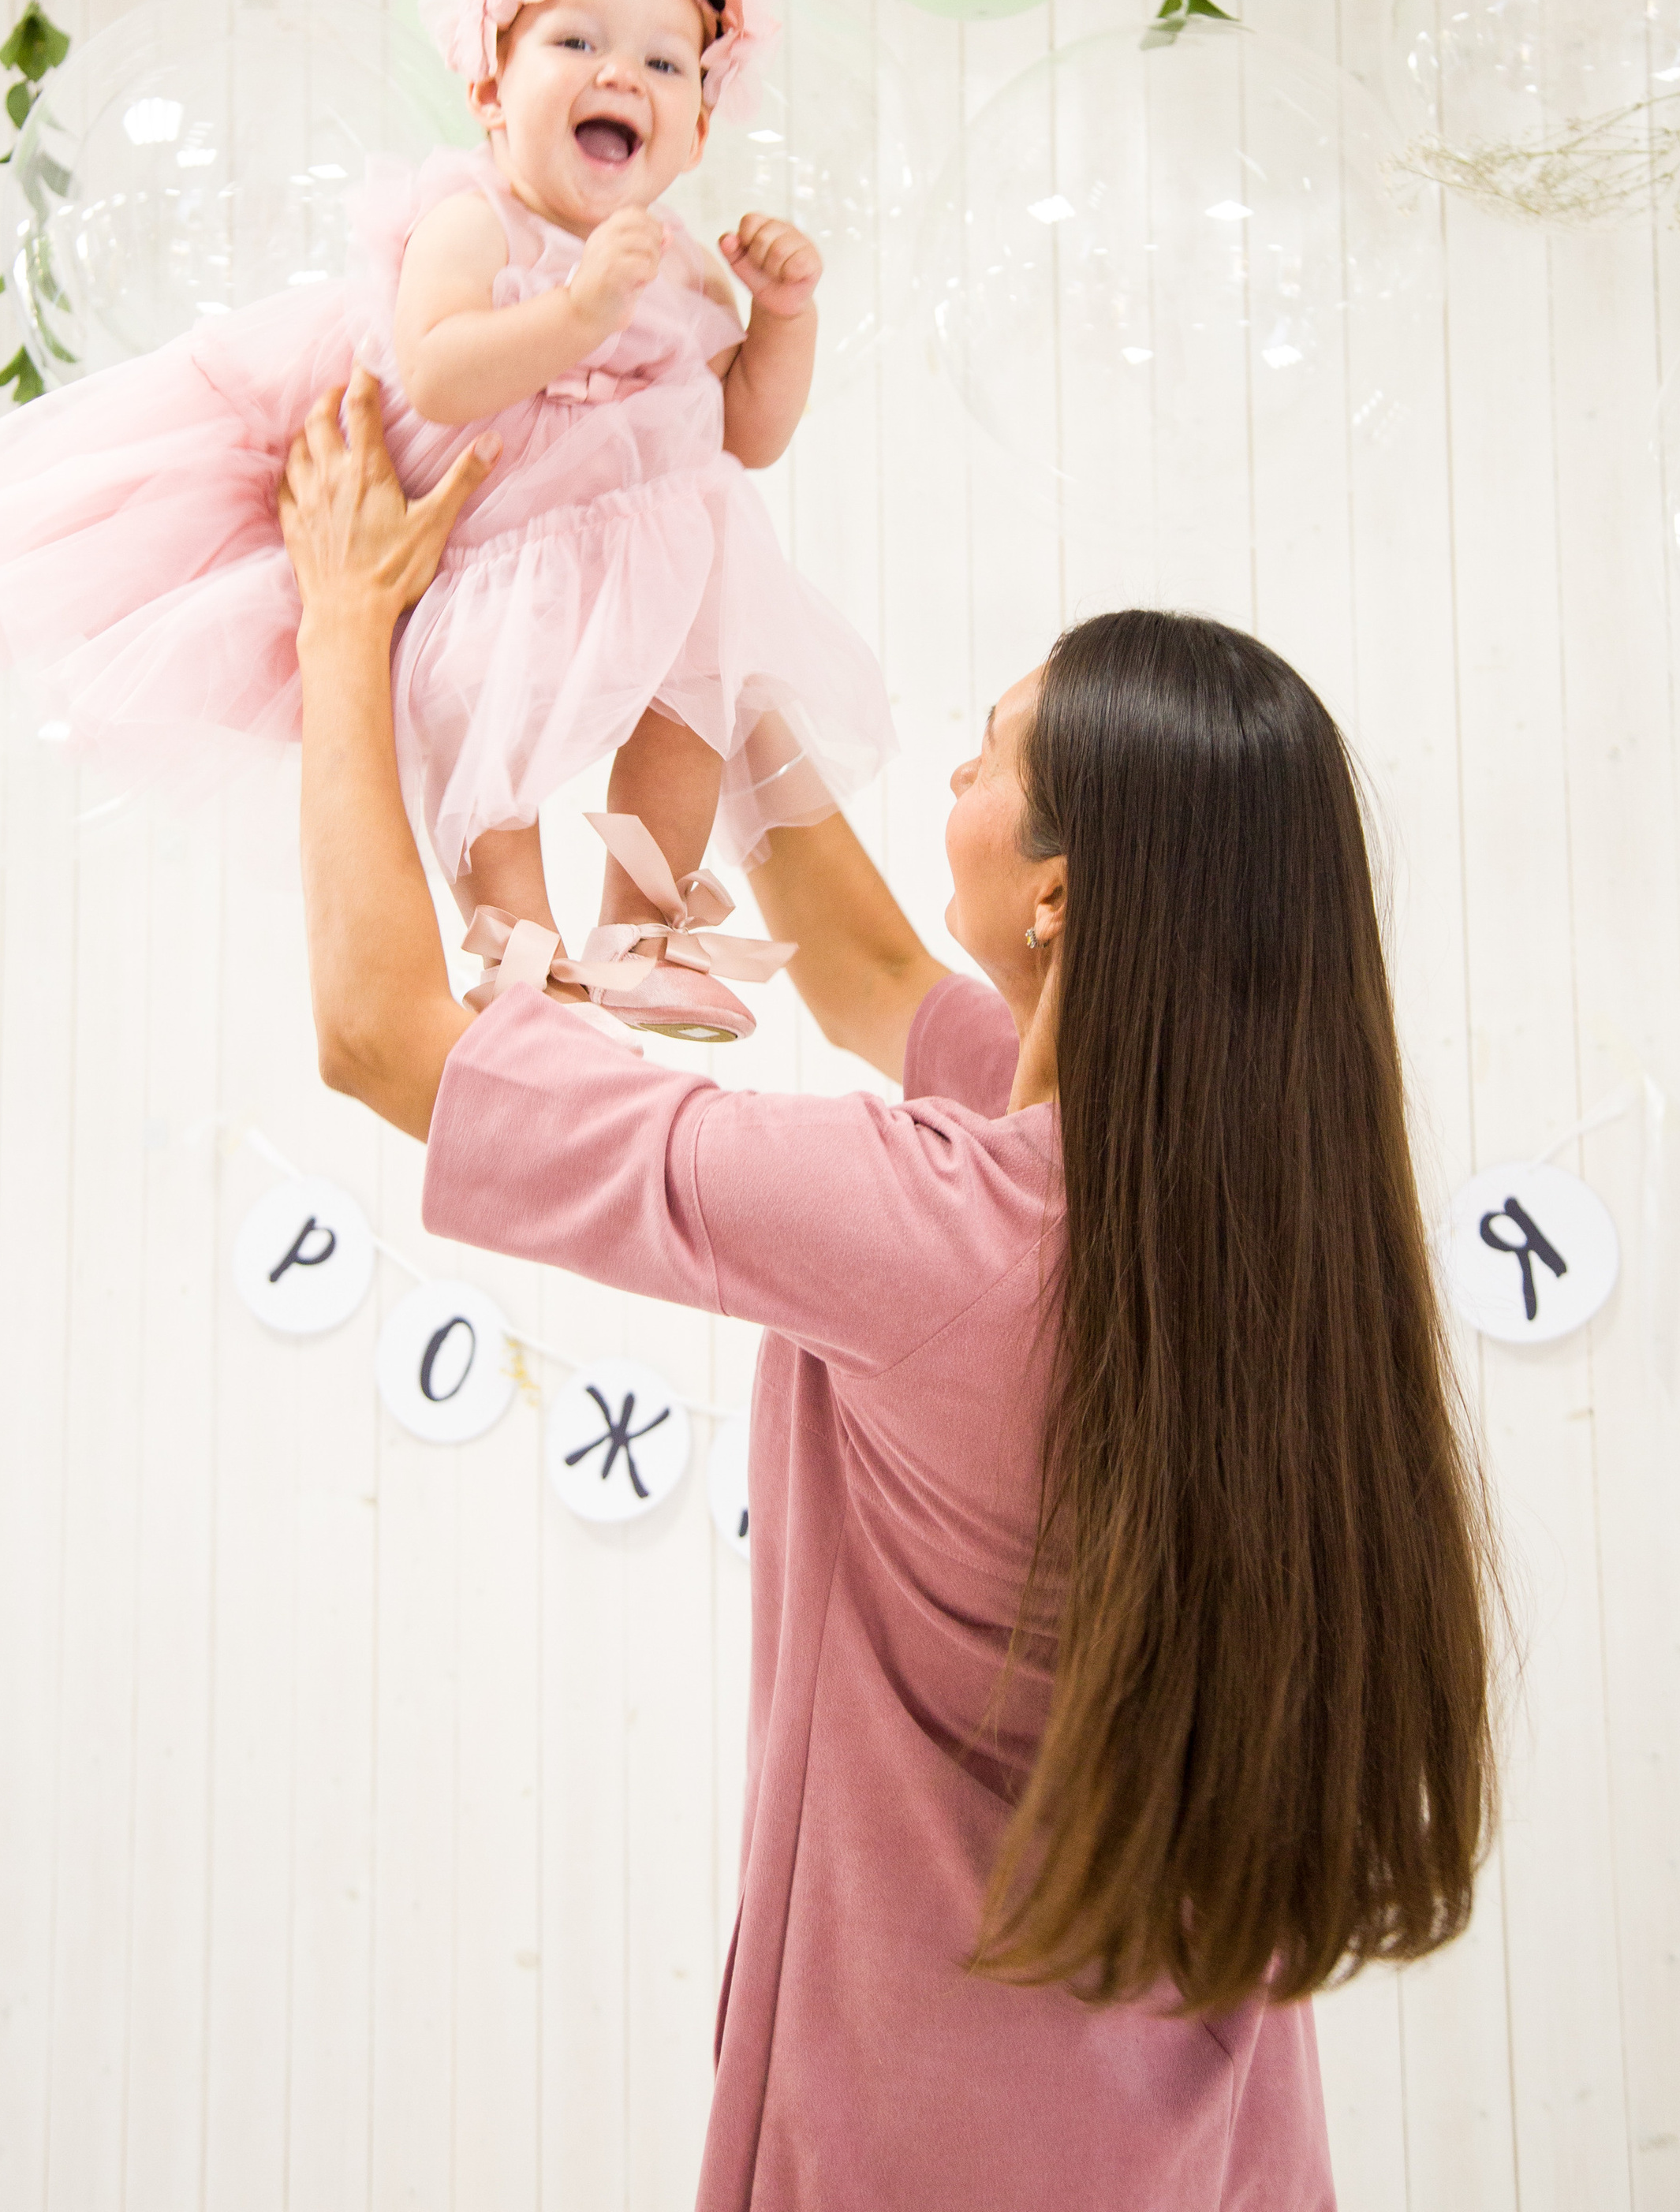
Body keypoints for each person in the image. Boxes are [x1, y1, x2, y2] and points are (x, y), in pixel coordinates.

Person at [278, 371, 1501, 2212]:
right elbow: (856, 964)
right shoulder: (1243, 1223)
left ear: (1062, 896)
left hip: (924, 2145)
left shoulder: (930, 1228)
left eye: (986, 757)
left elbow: (383, 1038)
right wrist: (698, 599)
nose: (946, 774)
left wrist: (343, 625)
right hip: (1204, 2150)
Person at [0, 0, 894, 1040]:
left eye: (663, 63)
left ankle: (646, 934)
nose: (618, 75)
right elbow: (436, 366)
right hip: (498, 552)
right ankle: (516, 957)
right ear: (492, 92)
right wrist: (575, 317)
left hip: (664, 550)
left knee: (689, 714)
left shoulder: (683, 258)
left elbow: (749, 432)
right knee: (492, 749)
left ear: (693, 130)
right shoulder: (467, 219)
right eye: (576, 41)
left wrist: (782, 321)